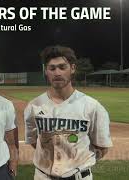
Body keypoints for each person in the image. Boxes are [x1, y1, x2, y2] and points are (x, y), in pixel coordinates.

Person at [24, 45, 113, 180]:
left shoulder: (92, 106)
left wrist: (76, 163)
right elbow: (33, 141)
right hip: (43, 176)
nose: (57, 72)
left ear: (72, 68)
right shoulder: (34, 106)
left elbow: (102, 147)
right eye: (52, 68)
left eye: (62, 67)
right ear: (46, 71)